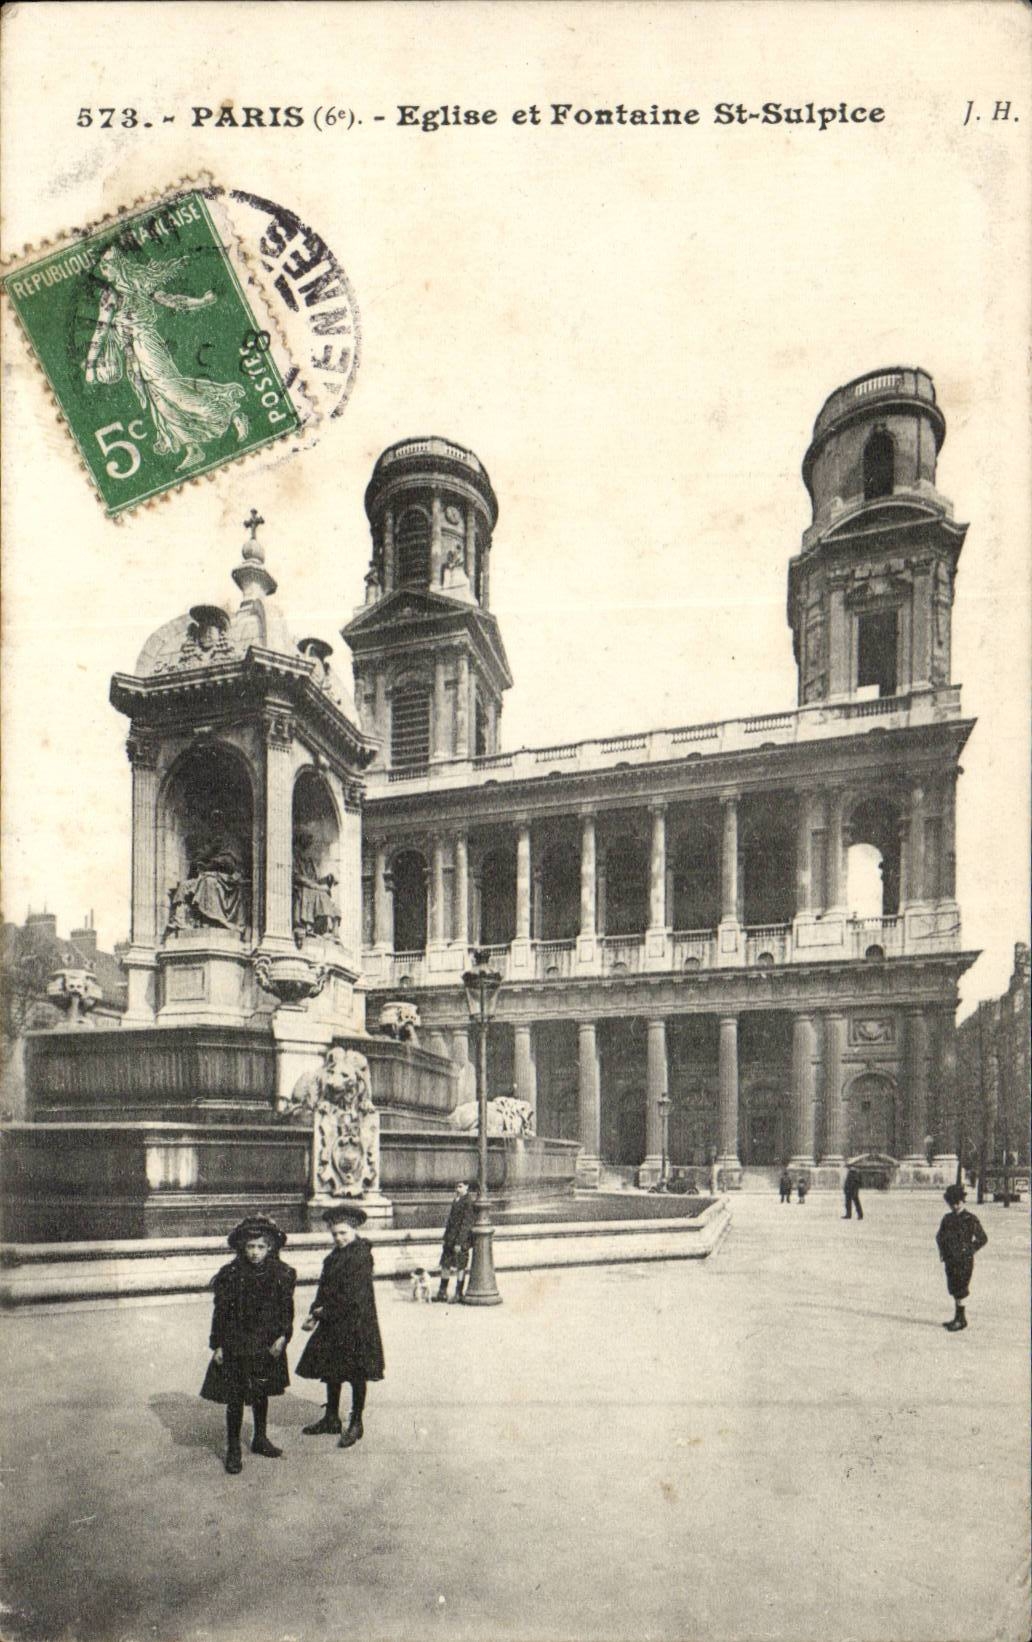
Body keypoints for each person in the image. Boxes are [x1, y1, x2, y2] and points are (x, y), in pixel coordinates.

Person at [85, 243, 248, 470]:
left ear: (117, 265)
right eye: (100, 266)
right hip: (133, 353)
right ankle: (193, 448)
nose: (102, 271)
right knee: (160, 403)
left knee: (174, 392)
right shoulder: (118, 290)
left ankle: (229, 412)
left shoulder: (120, 291)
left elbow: (102, 331)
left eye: (105, 265)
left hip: (145, 344)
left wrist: (91, 366)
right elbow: (103, 330)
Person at [199, 1215, 296, 1475]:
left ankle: (260, 1438)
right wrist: (217, 1344)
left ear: (270, 1248)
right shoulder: (231, 1275)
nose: (255, 1252)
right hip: (237, 1343)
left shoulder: (281, 1274)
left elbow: (286, 1309)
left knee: (261, 1392)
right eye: (250, 1246)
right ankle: (233, 1447)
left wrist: (283, 1336)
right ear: (243, 1247)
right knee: (236, 1397)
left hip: (266, 1343)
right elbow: (220, 1313)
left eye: (261, 1247)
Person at [296, 1203, 385, 1447]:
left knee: (357, 1373)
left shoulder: (361, 1256)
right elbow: (324, 1288)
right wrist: (315, 1311)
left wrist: (325, 1312)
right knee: (332, 1370)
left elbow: (354, 1295)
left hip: (357, 1323)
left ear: (354, 1230)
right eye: (335, 1234)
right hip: (333, 1322)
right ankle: (331, 1417)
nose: (339, 1238)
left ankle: (356, 1421)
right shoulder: (332, 1257)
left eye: (344, 1233)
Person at [936, 1183, 988, 1332]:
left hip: (964, 1261)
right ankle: (958, 1317)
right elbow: (939, 1236)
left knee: (961, 1288)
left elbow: (983, 1238)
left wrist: (970, 1249)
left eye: (957, 1202)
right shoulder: (947, 1219)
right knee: (953, 1287)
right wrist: (943, 1251)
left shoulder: (970, 1219)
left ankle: (961, 1319)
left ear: (963, 1201)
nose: (955, 1206)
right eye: (951, 1203)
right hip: (950, 1260)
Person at [433, 1180, 478, 1303]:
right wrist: (445, 1238)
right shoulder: (457, 1200)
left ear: (467, 1187)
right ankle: (442, 1292)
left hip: (459, 1241)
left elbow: (466, 1224)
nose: (457, 1189)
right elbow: (450, 1222)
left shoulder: (468, 1202)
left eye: (460, 1187)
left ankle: (458, 1293)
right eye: (456, 1187)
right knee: (445, 1264)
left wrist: (459, 1242)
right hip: (450, 1240)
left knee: (460, 1266)